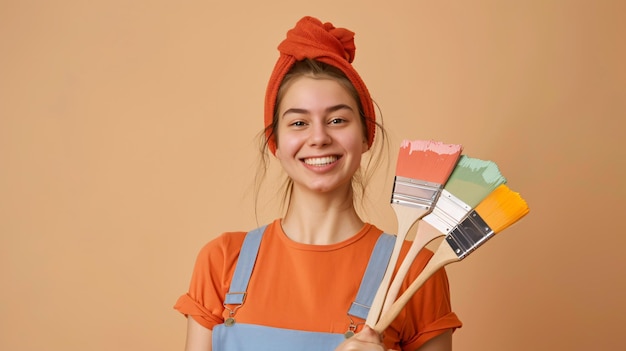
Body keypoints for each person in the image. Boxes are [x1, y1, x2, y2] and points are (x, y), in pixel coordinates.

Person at [174, 16, 462, 351]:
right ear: (276, 144)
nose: (319, 137)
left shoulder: (414, 274)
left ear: (366, 136)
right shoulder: (222, 261)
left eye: (337, 120)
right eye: (298, 122)